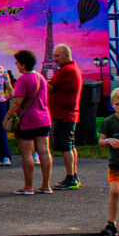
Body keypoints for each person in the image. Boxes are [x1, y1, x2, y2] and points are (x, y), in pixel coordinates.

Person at [7, 49, 54, 195]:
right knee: (44, 152)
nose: (17, 66)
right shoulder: (41, 77)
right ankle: (46, 185)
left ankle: (28, 186)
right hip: (44, 118)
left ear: (23, 64)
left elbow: (17, 102)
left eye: (17, 63)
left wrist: (7, 117)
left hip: (27, 120)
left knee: (27, 153)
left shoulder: (23, 79)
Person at [47, 43, 83, 189]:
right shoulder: (72, 69)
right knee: (71, 144)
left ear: (65, 55)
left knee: (66, 146)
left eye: (57, 56)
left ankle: (70, 177)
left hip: (63, 114)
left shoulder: (66, 70)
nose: (54, 59)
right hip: (69, 113)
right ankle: (73, 174)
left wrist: (39, 80)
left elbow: (50, 87)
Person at [100, 86, 119, 236]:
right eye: (117, 104)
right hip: (116, 162)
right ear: (112, 105)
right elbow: (100, 141)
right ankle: (112, 222)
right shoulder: (109, 122)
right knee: (115, 191)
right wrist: (107, 140)